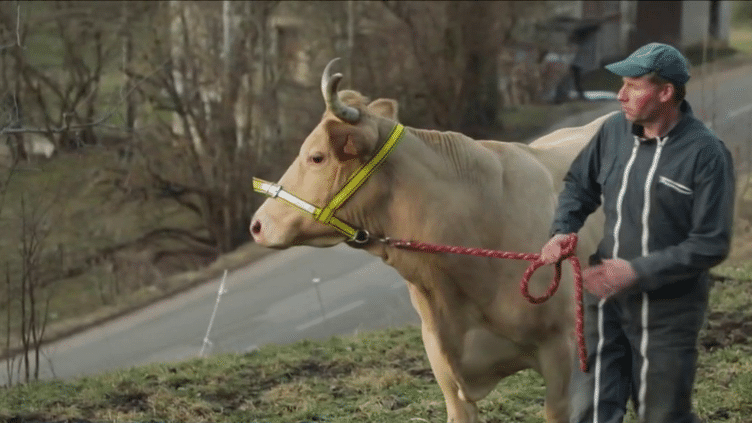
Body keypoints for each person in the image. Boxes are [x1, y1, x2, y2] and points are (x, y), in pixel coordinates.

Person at [540, 42, 735, 423]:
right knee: (591, 411)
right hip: (607, 298)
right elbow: (580, 185)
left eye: (634, 85)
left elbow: (711, 242)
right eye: (622, 84)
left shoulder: (706, 153)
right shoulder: (613, 132)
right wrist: (563, 229)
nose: (621, 94)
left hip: (669, 310)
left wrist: (635, 272)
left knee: (662, 415)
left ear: (665, 93)